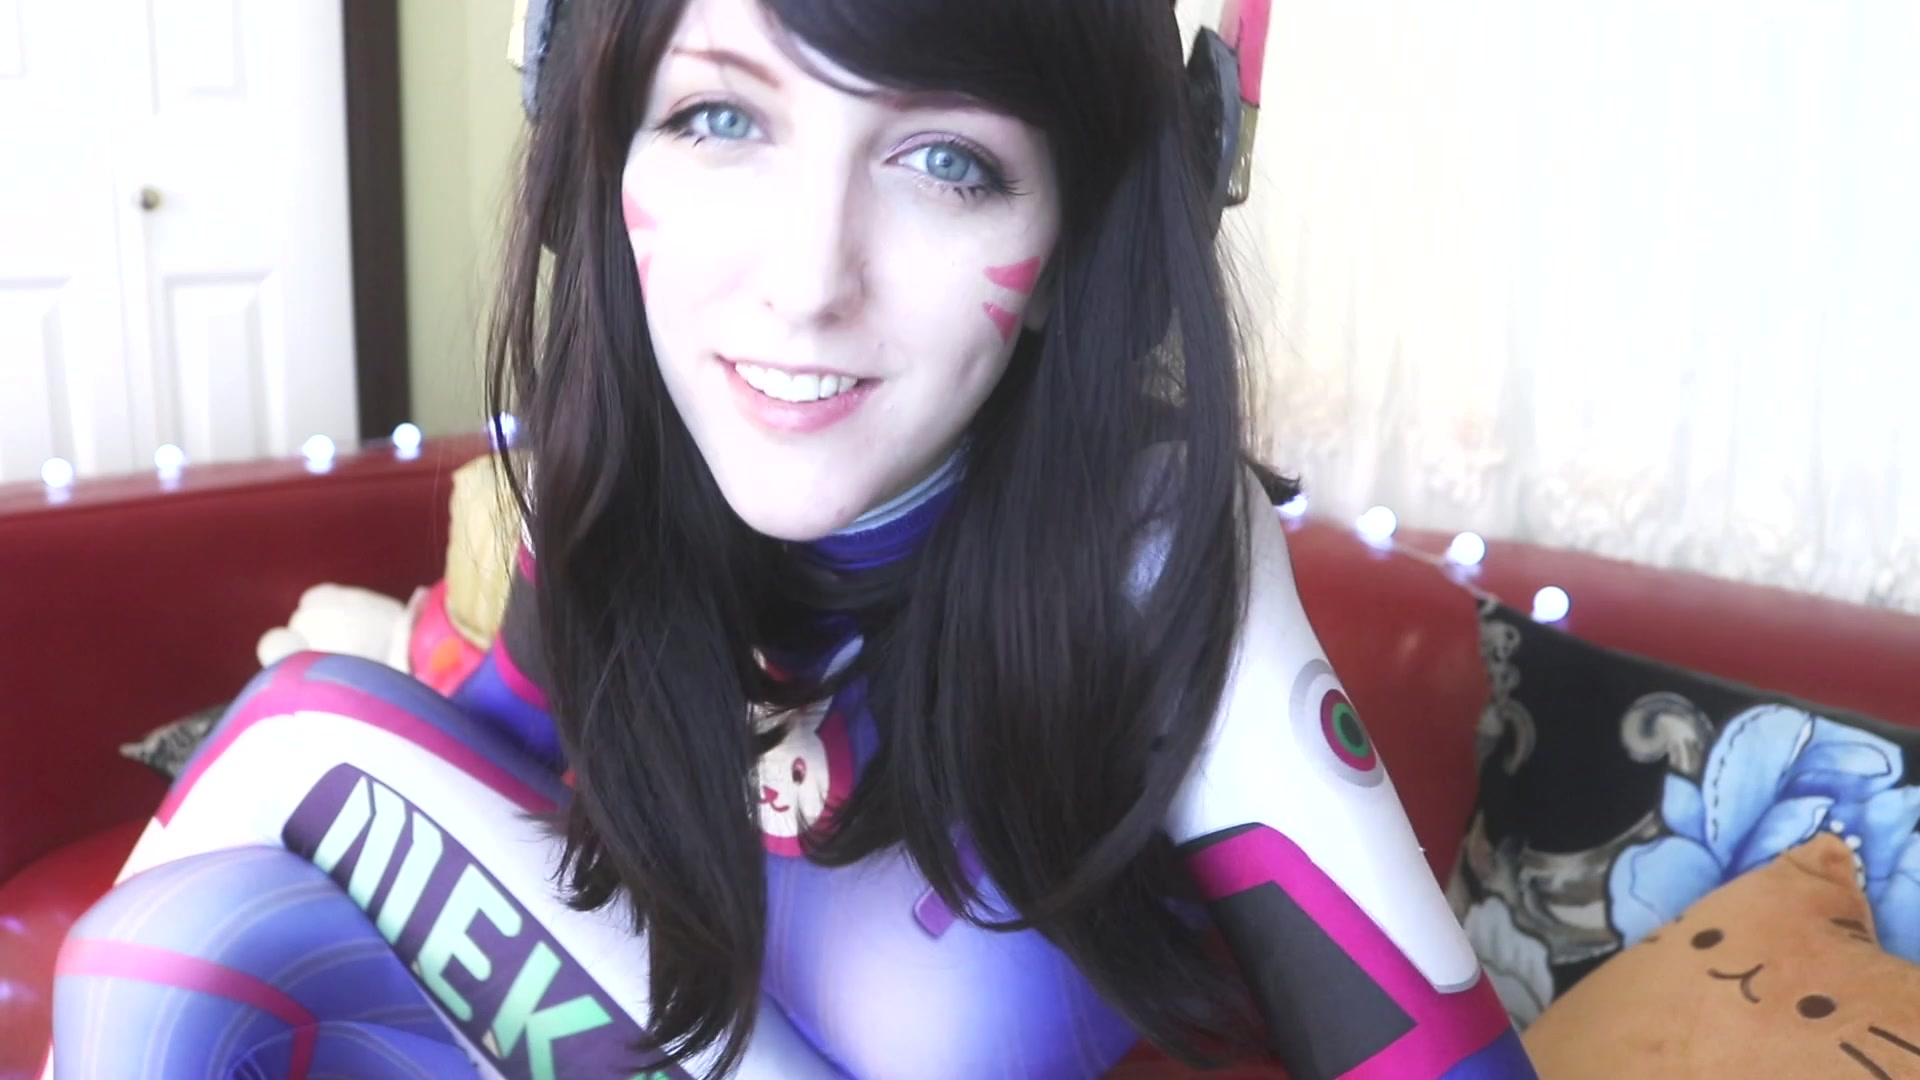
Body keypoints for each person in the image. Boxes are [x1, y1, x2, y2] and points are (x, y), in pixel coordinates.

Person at [48, 1, 1538, 1077]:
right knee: (187, 938)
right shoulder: (636, 475)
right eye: (720, 118)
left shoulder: (1142, 551)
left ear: (1086, 237)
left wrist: (316, 732)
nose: (808, 281)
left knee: (303, 742)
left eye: (946, 161)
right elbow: (488, 783)